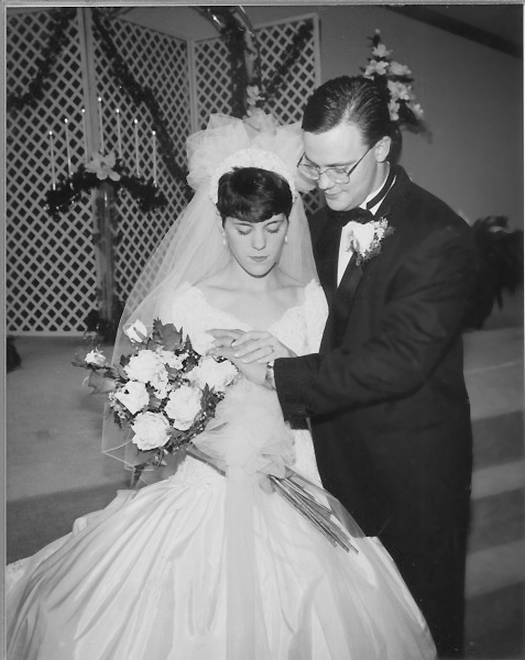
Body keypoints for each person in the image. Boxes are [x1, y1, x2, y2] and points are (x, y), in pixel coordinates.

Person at [6, 113, 437, 660]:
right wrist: (198, 441)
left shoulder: (310, 298)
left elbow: (328, 386)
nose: (260, 244)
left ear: (290, 222)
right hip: (210, 473)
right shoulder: (188, 299)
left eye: (273, 226)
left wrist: (288, 418)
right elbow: (155, 401)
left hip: (294, 467)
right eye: (243, 228)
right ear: (220, 222)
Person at [213, 78, 477, 659]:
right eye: (315, 165)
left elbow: (397, 362)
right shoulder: (334, 216)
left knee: (425, 625)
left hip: (413, 468)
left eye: (340, 168)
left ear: (382, 148)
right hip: (341, 452)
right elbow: (336, 326)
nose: (324, 183)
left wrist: (282, 377)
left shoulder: (441, 238)